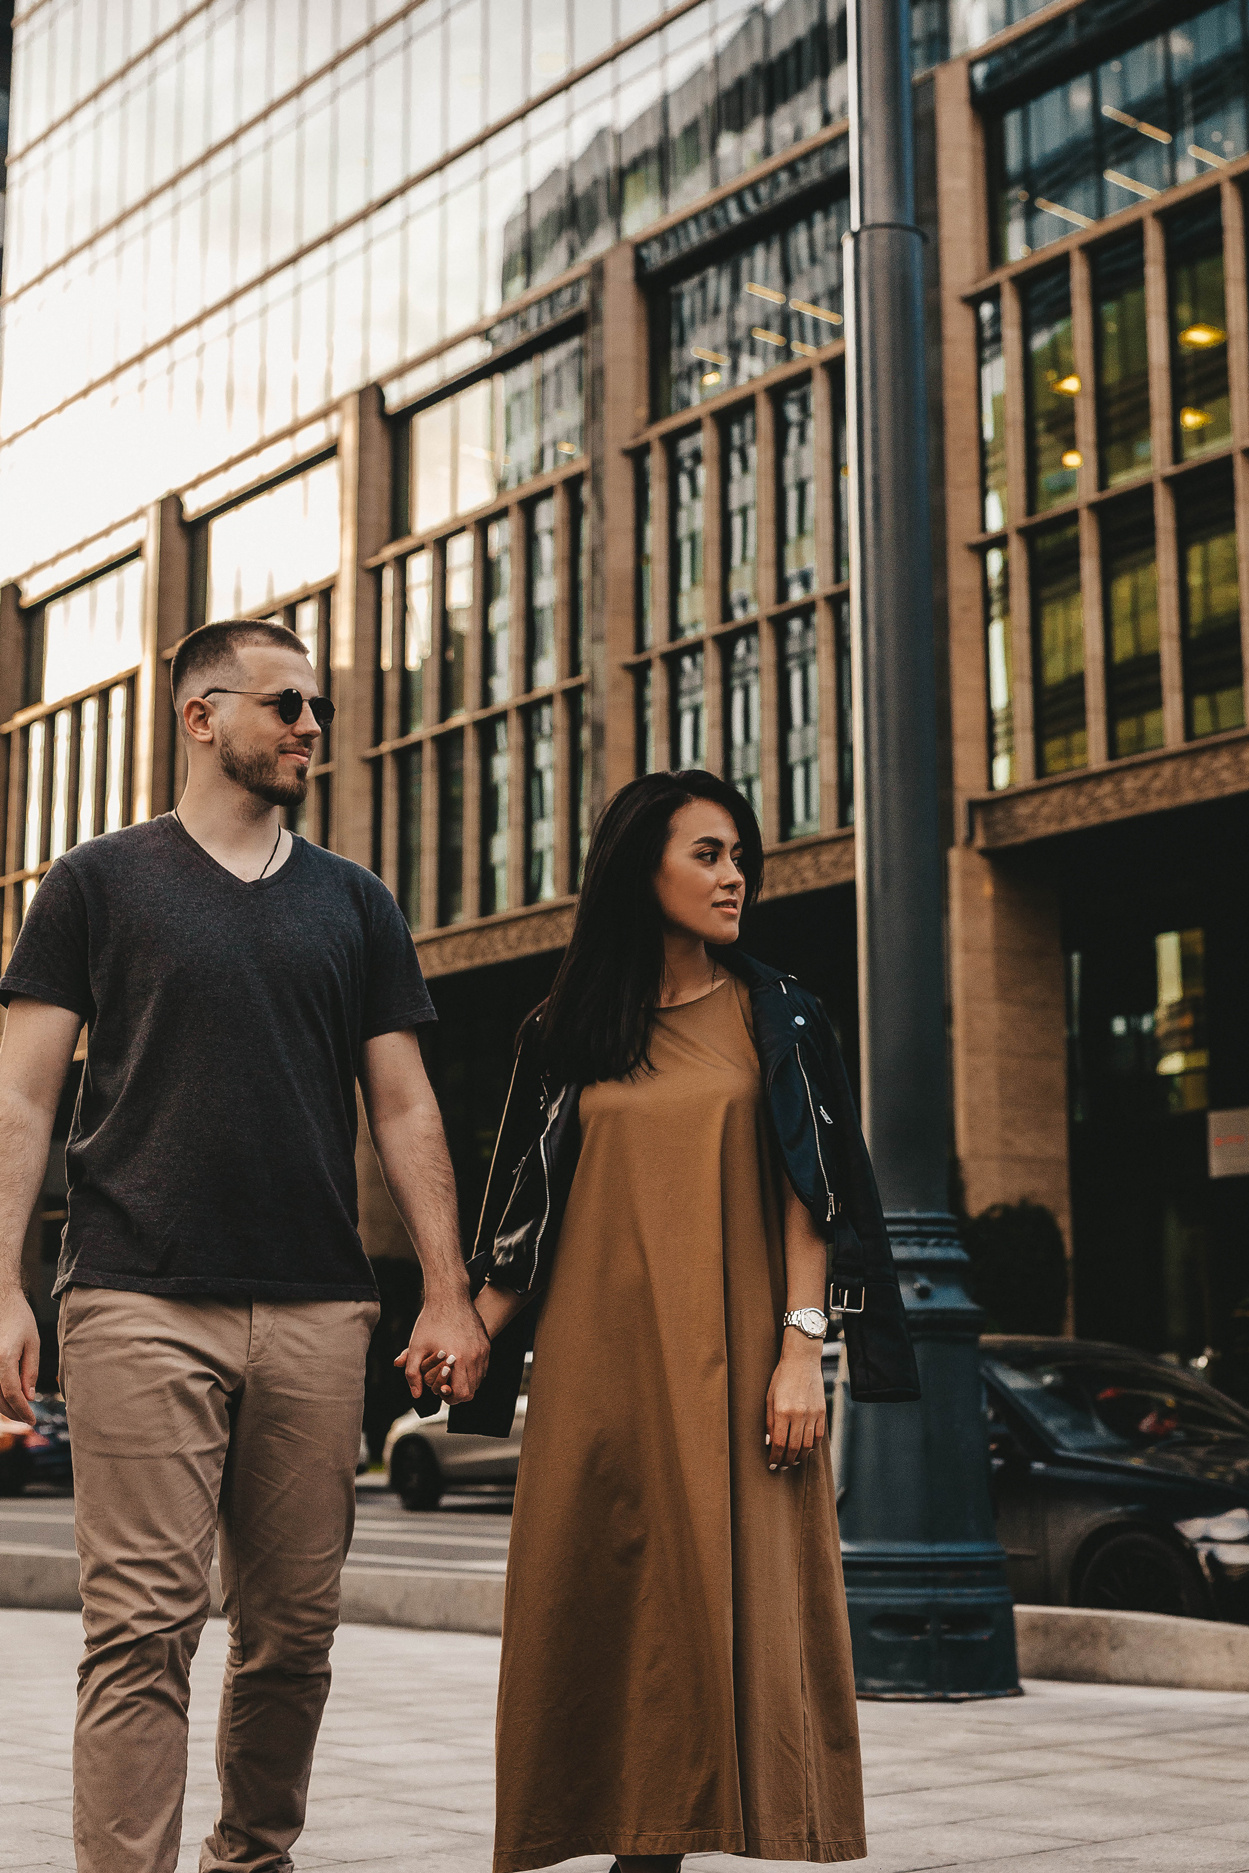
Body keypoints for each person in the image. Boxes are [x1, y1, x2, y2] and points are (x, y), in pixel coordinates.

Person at [0, 618, 487, 1873]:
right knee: (143, 1629)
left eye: (317, 708)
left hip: (320, 1306)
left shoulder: (356, 902)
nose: (310, 728)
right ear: (200, 715)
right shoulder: (96, 883)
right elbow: (22, 1097)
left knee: (292, 1634)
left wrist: (446, 1290)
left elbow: (404, 1101)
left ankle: (250, 1858)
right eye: (285, 705)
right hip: (134, 1294)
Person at [422, 769, 921, 1873]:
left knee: (714, 1629)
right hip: (597, 1380)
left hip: (737, 1364)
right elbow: (525, 1224)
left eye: (739, 854)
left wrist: (803, 1352)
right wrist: (468, 1326)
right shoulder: (565, 1032)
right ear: (638, 868)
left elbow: (816, 1201)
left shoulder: (779, 1014)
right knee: (603, 1627)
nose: (734, 874)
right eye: (707, 853)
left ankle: (658, 1857)